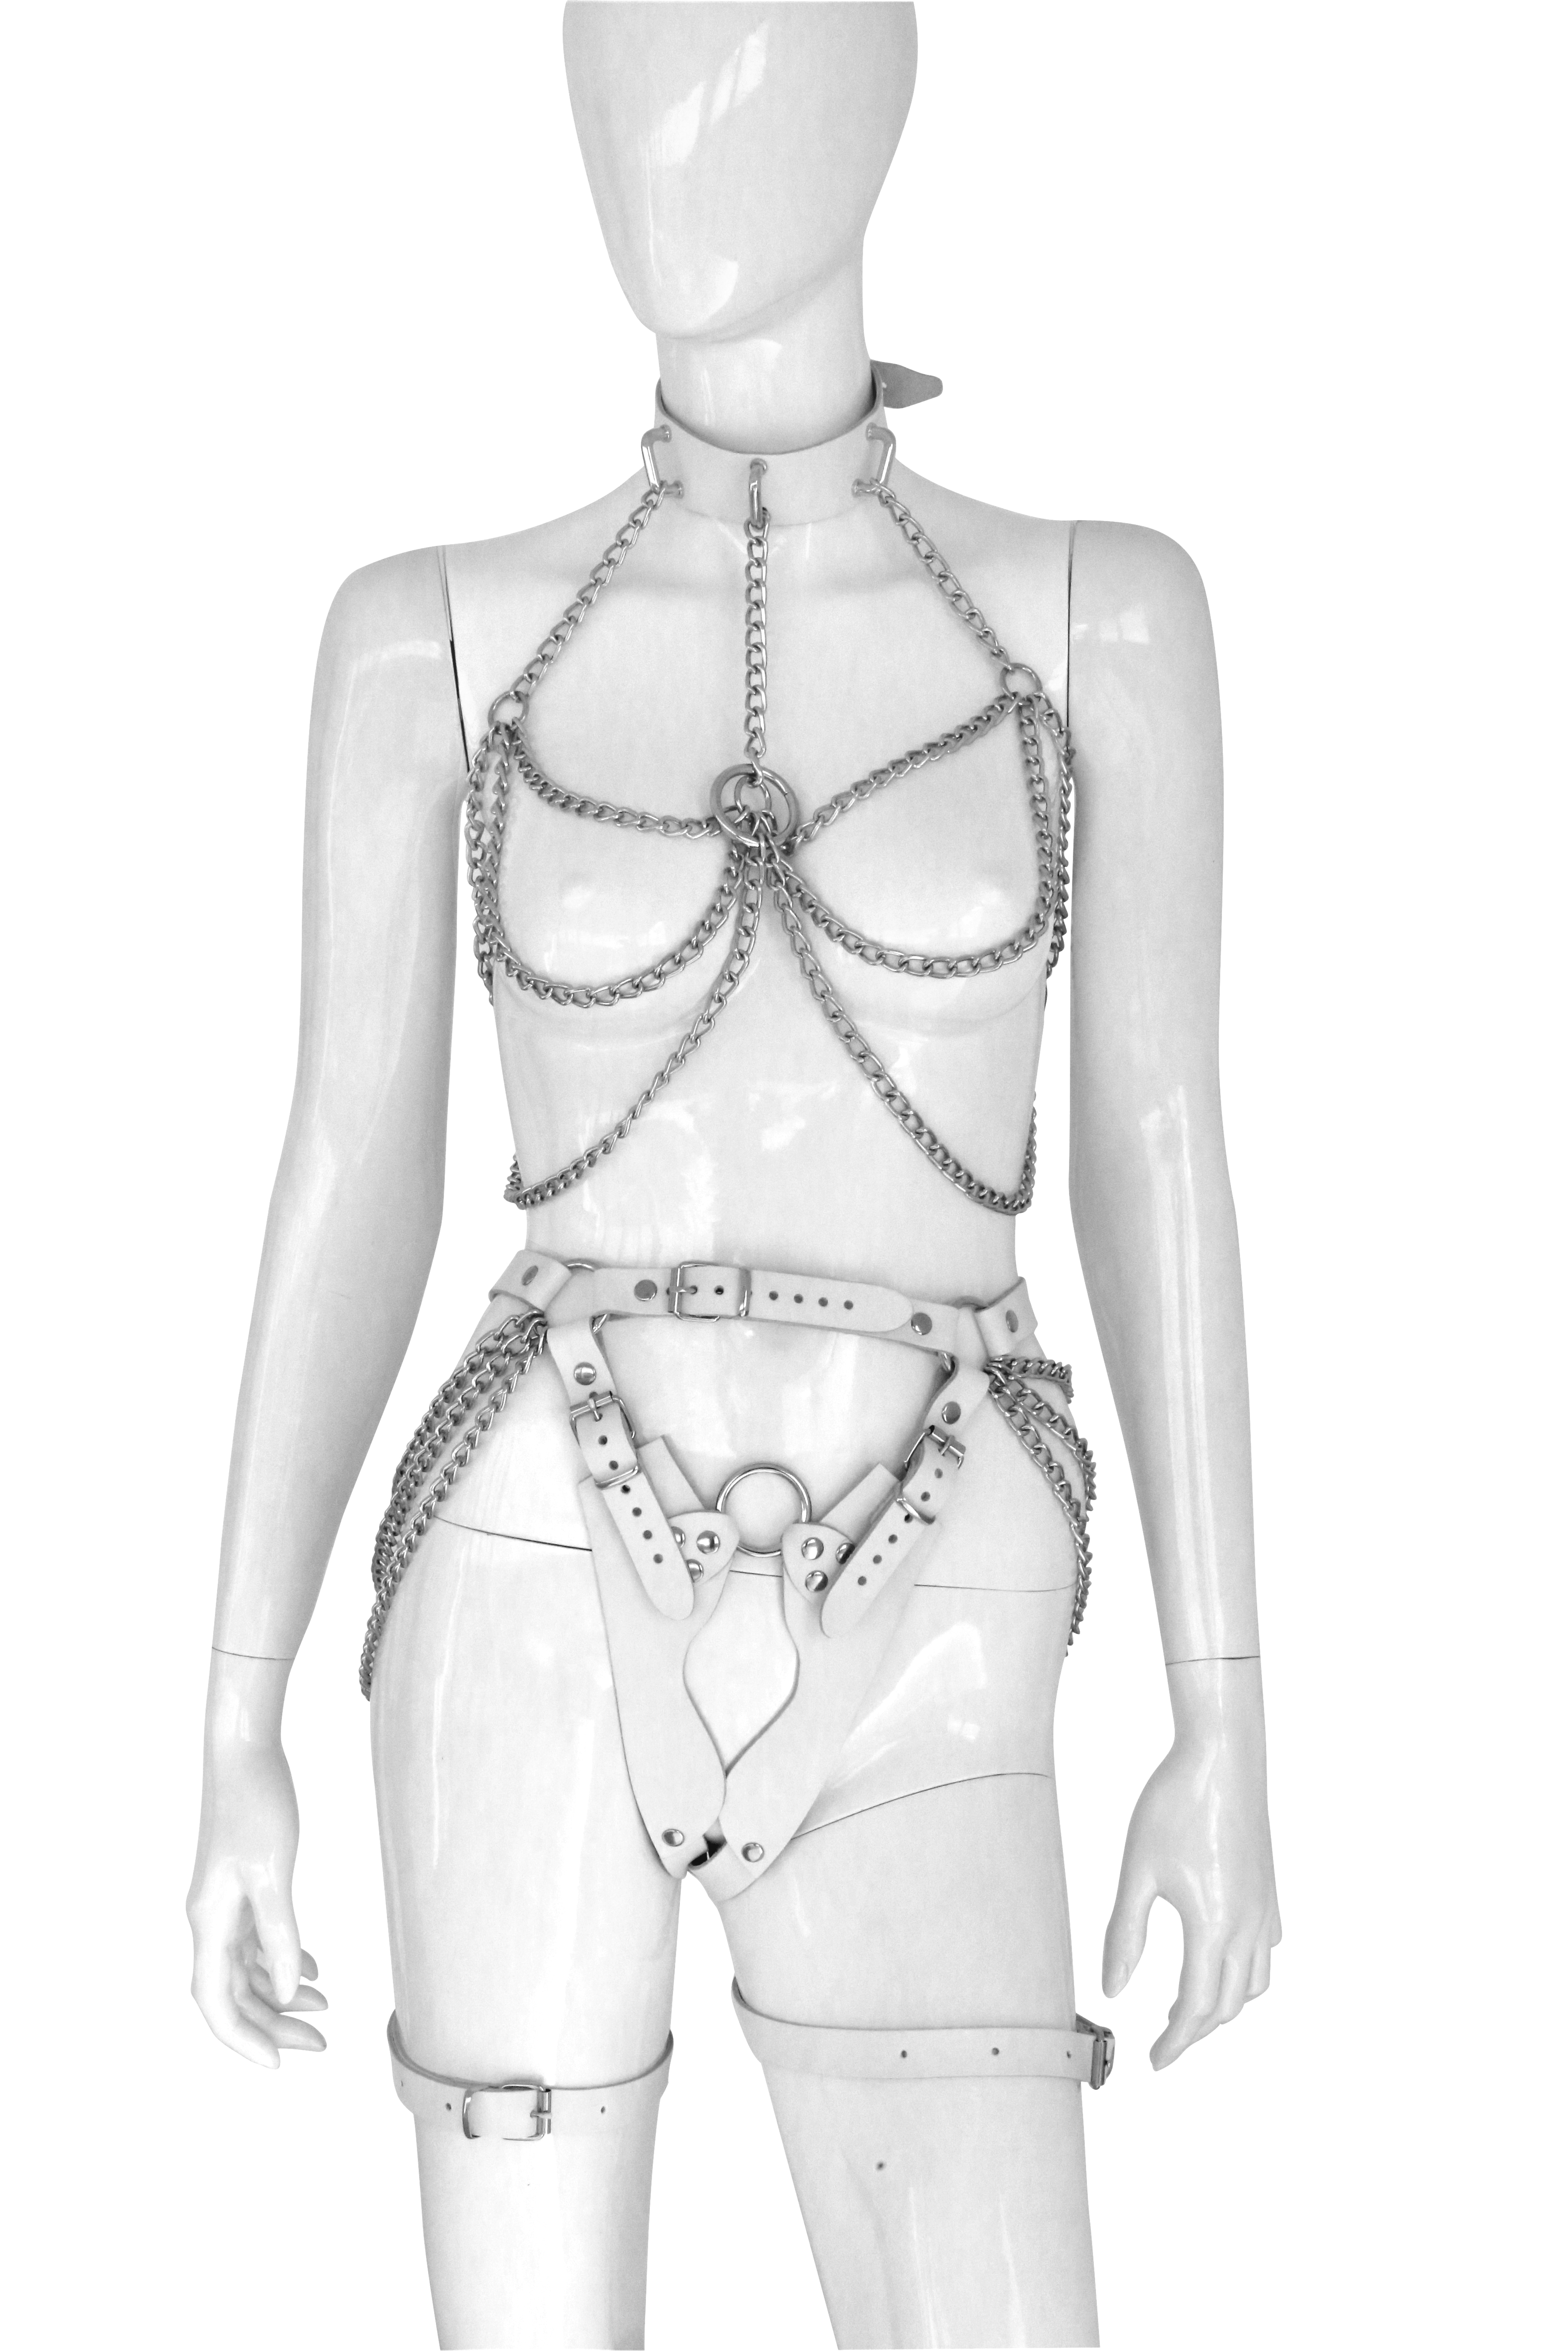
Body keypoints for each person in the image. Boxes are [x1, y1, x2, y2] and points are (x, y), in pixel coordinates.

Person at [187, 7, 1280, 2344]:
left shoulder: (1101, 616)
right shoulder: (428, 639)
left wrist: (1228, 1710)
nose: (662, 123)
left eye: (734, 48)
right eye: (616, 59)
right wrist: (232, 1709)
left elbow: (1159, 1152)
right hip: (527, 1574)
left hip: (940, 1580)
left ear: (885, 81)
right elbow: (348, 1164)